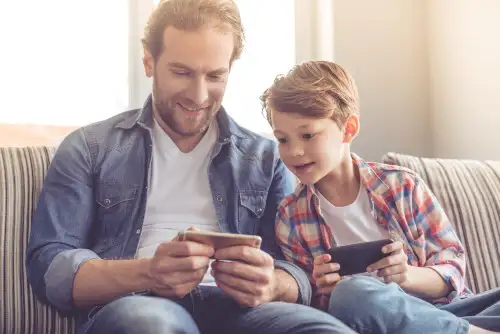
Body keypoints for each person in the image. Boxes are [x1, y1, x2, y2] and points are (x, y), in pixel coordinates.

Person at [25, 2, 356, 334]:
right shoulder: (90, 147)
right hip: (139, 304)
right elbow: (48, 269)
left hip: (245, 312)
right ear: (149, 61)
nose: (199, 96)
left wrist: (274, 285)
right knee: (151, 326)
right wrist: (147, 272)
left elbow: (300, 267)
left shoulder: (268, 158)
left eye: (214, 76)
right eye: (181, 72)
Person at [260, 60, 500, 334]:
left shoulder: (402, 186)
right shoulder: (291, 218)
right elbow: (315, 311)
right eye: (283, 140)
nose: (295, 151)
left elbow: (452, 271)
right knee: (351, 293)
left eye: (307, 135)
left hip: (451, 313)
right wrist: (321, 291)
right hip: (374, 318)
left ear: (348, 129)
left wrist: (406, 275)